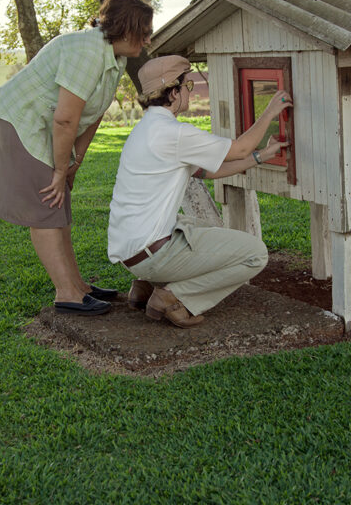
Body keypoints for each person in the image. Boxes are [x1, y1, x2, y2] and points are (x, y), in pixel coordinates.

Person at [0, 0, 153, 315]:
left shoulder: (115, 58)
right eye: (144, 31)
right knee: (47, 203)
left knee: (58, 204)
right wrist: (60, 171)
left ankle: (79, 286)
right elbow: (65, 118)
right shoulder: (86, 50)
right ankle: (66, 294)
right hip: (23, 123)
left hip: (48, 127)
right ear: (126, 27)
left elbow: (94, 112)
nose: (147, 39)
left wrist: (75, 161)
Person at [107, 55, 293, 328]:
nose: (189, 93)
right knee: (255, 254)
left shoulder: (146, 129)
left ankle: (145, 287)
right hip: (154, 254)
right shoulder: (174, 133)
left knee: (201, 228)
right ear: (173, 92)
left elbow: (205, 171)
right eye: (188, 87)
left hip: (133, 251)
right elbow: (239, 147)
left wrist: (260, 156)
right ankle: (171, 295)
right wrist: (270, 111)